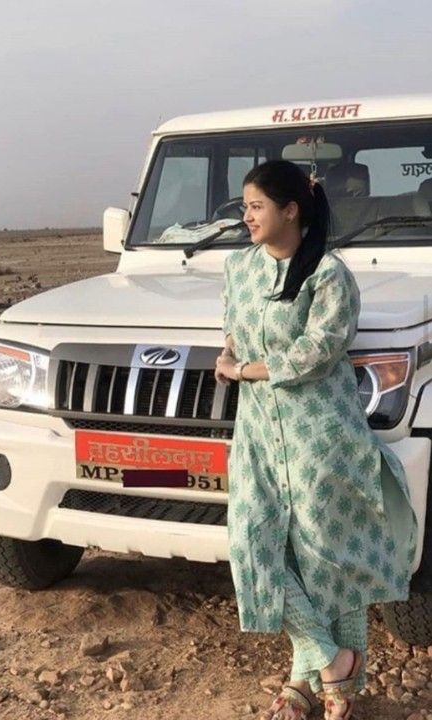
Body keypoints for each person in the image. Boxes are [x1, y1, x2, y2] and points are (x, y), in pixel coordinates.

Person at [214, 160, 417, 720]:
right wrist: (229, 356)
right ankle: (331, 660)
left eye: (255, 206)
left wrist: (245, 370)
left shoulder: (328, 276)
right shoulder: (238, 268)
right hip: (258, 432)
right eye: (245, 206)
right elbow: (233, 326)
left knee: (327, 559)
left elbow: (315, 352)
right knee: (253, 545)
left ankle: (324, 692)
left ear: (291, 209)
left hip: (321, 433)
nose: (246, 216)